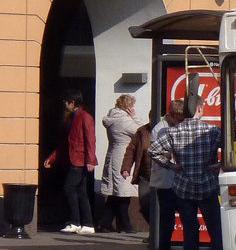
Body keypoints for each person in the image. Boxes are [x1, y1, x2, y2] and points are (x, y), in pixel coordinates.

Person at [148, 98, 223, 250]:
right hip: (207, 185)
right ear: (198, 108)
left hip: (183, 188)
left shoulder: (174, 131)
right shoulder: (212, 130)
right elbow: (231, 147)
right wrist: (220, 164)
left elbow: (152, 151)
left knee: (190, 232)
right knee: (216, 231)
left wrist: (171, 166)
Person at [43, 90, 98, 235]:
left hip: (80, 160)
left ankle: (75, 222)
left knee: (69, 188)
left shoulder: (84, 117)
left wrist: (90, 160)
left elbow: (90, 139)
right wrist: (52, 158)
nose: (64, 105)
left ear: (72, 103)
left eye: (65, 102)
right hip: (76, 159)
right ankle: (87, 224)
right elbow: (66, 143)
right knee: (81, 192)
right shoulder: (72, 118)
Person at [145, 100, 185, 250]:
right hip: (167, 182)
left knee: (183, 221)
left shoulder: (172, 127)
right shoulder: (161, 129)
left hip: (176, 181)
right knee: (167, 225)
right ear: (174, 115)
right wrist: (171, 160)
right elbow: (158, 153)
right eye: (182, 117)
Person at [100, 94, 140, 233]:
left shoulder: (112, 117)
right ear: (127, 106)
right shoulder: (124, 121)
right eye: (132, 105)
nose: (133, 108)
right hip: (123, 157)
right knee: (123, 192)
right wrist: (134, 116)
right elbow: (141, 132)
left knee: (115, 192)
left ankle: (105, 222)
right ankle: (126, 226)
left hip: (112, 155)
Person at [121, 111, 156, 226]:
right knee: (144, 204)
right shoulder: (142, 132)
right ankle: (154, 231)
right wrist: (126, 168)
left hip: (160, 175)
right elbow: (131, 149)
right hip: (145, 175)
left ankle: (157, 234)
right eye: (151, 118)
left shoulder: (165, 130)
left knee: (160, 206)